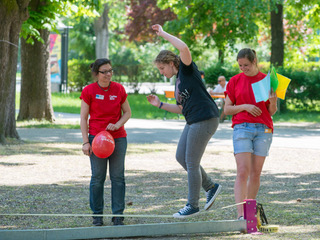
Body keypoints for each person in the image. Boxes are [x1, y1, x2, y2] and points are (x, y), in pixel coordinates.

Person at [147, 24, 222, 218]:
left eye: (162, 68)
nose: (162, 72)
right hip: (192, 120)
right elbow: (181, 109)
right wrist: (160, 104)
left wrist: (163, 34)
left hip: (205, 118)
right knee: (181, 157)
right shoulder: (178, 80)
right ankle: (211, 187)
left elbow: (184, 48)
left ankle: (192, 205)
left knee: (191, 161)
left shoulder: (187, 70)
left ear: (171, 63)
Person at [223, 48, 277, 219]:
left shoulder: (267, 81)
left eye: (246, 65)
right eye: (240, 65)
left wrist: (274, 101)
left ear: (254, 61)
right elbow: (227, 109)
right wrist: (245, 106)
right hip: (242, 128)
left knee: (255, 173)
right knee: (242, 172)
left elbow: (271, 111)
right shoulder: (234, 81)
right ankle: (240, 216)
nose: (243, 68)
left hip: (264, 129)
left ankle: (249, 214)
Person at [80, 58, 131, 226]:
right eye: (104, 72)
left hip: (117, 138)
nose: (108, 74)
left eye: (110, 71)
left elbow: (127, 113)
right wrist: (86, 142)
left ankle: (118, 216)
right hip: (96, 140)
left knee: (118, 178)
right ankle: (97, 216)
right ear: (96, 73)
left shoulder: (119, 89)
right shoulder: (89, 91)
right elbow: (83, 118)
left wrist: (117, 124)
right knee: (97, 178)